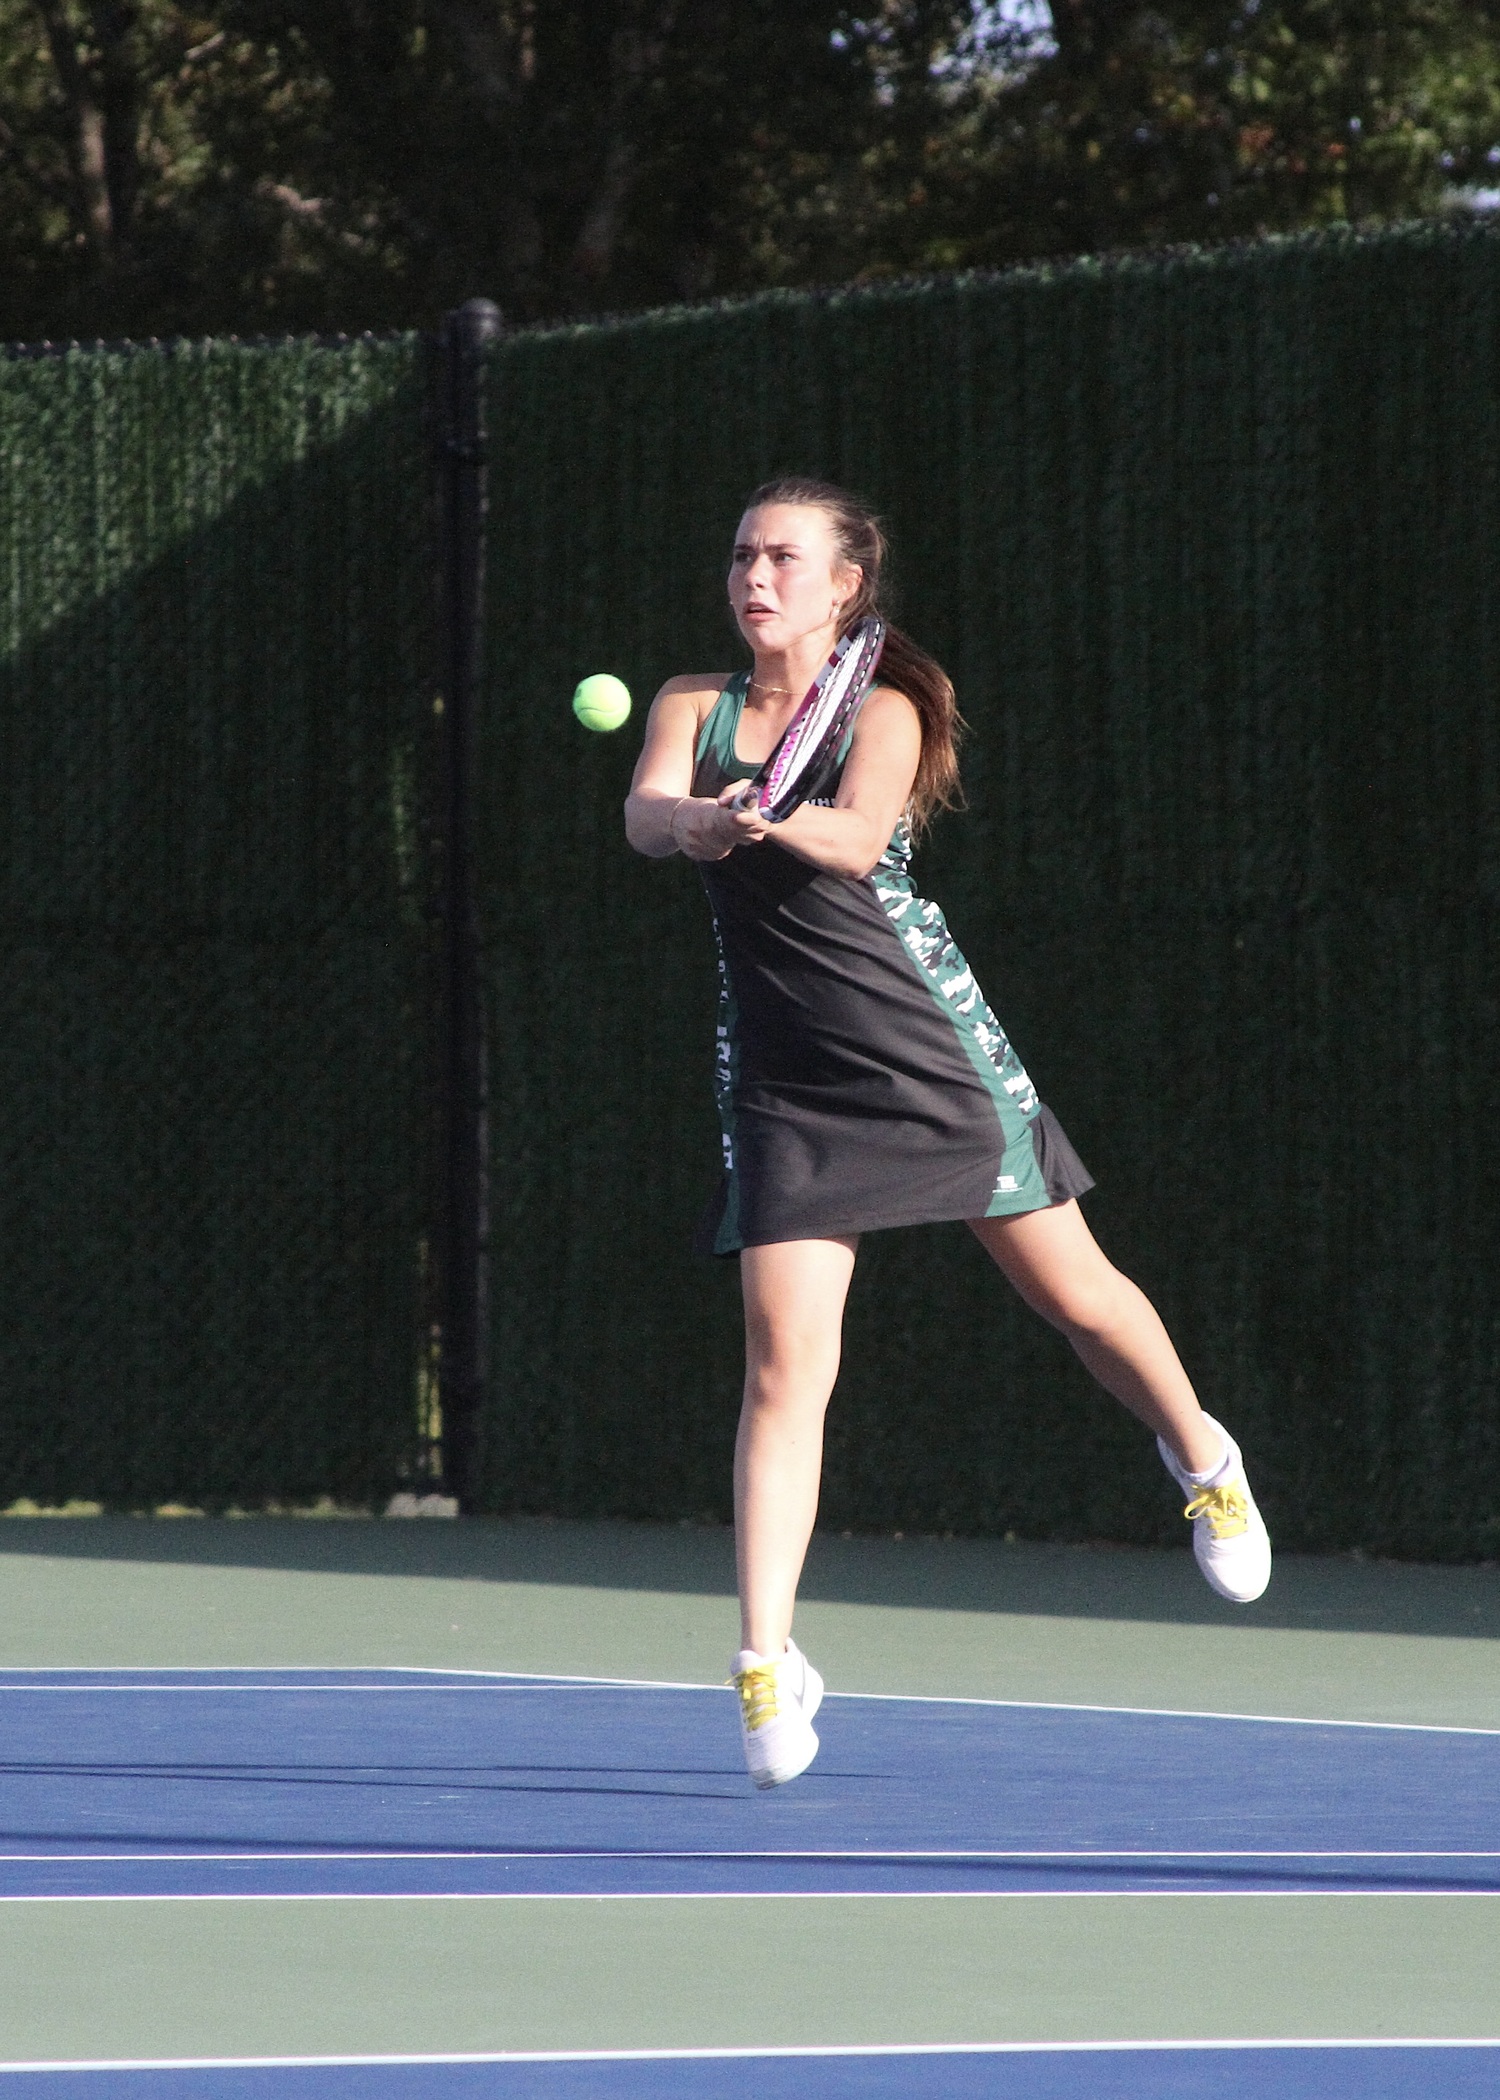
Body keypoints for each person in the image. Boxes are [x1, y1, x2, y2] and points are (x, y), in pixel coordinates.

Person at [624, 477, 1271, 1790]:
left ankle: (1204, 1454)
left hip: (922, 1047)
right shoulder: (691, 705)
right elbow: (644, 815)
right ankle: (763, 1668)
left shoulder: (888, 705)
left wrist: (766, 818)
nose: (754, 576)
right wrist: (695, 817)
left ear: (845, 586)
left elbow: (860, 841)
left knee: (1078, 1297)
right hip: (786, 1076)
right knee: (779, 1370)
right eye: (742, 553)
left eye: (783, 558)